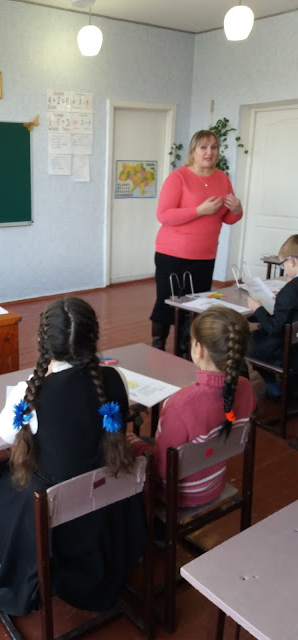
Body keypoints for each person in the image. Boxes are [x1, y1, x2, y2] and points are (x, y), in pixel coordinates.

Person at [0, 296, 147, 615]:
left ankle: (4, 583)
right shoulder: (115, 378)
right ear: (93, 338)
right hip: (109, 510)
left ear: (42, 343)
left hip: (59, 523)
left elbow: (5, 433)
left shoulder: (31, 392)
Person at [129, 306, 255, 507]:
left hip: (177, 495)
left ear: (200, 349)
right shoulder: (246, 387)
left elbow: (162, 469)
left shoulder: (180, 405)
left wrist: (134, 443)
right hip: (214, 483)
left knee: (127, 444)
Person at [151, 129, 243, 354]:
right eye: (203, 147)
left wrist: (237, 209)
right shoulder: (178, 177)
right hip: (172, 253)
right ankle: (158, 346)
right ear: (193, 151)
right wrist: (199, 210)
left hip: (205, 254)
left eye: (214, 147)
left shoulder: (222, 178)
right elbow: (164, 215)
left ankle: (186, 350)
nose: (209, 152)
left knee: (196, 304)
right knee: (167, 301)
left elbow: (228, 218)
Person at [247, 234, 298, 398]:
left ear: (292, 261)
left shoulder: (290, 291)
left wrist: (258, 308)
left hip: (288, 350)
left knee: (247, 341)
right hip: (295, 341)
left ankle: (272, 387)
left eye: (283, 264)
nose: (284, 269)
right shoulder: (290, 291)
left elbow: (273, 328)